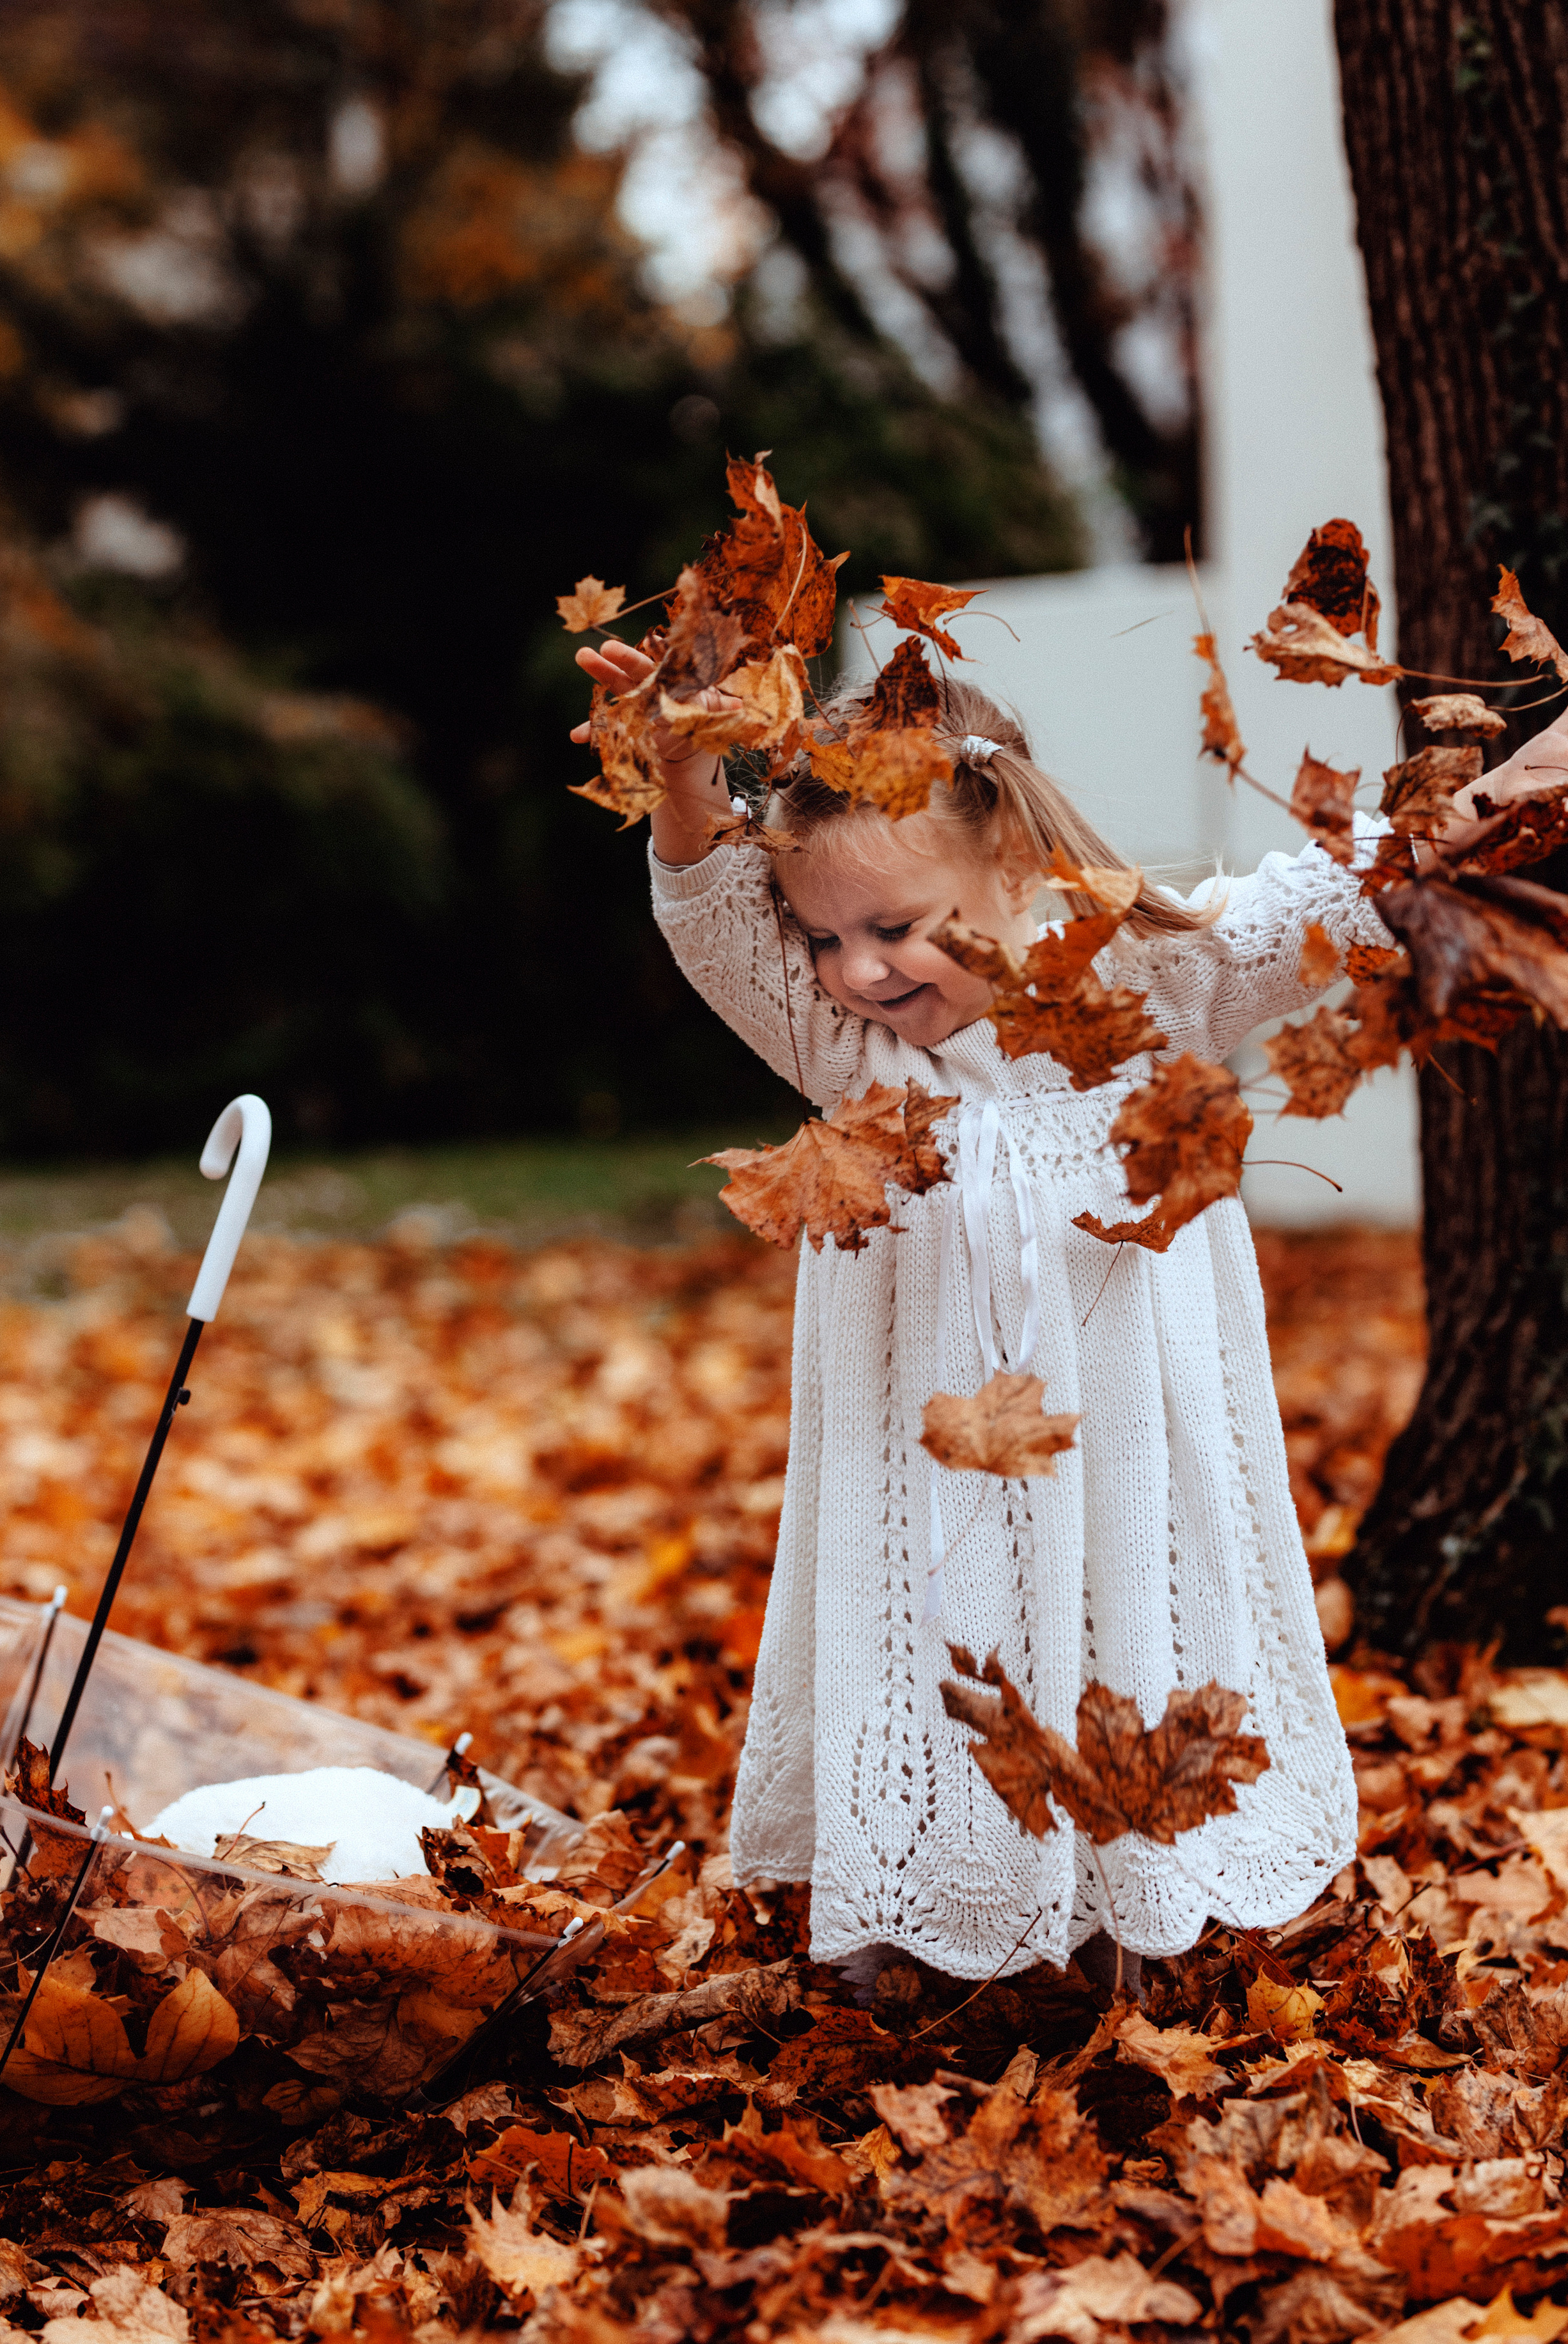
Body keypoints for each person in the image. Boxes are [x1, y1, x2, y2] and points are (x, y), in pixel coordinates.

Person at [571, 637, 1544, 2001]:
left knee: (1124, 1645)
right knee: (947, 1659)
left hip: (1132, 1461)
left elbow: (1348, 878)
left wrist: (1521, 784)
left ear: (1014, 869)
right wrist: (680, 764)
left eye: (895, 928)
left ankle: (1134, 1915)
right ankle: (935, 1914)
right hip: (926, 1480)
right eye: (826, 938)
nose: (855, 970)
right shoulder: (848, 1050)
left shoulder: (1159, 987)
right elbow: (708, 910)